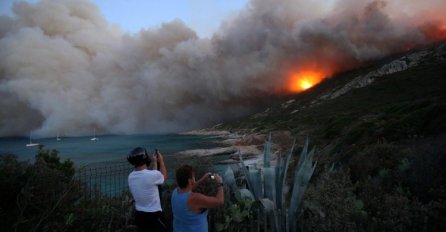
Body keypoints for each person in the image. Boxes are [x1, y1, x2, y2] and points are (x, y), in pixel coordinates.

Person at [171, 165, 225, 232]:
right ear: (190, 180)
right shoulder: (194, 198)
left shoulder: (176, 192)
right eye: (193, 176)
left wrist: (203, 179)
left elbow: (189, 188)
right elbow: (220, 201)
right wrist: (220, 183)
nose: (194, 177)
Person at [127, 147, 167, 232]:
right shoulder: (151, 176)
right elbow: (163, 177)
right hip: (154, 217)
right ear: (145, 159)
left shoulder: (131, 177)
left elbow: (153, 175)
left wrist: (155, 162)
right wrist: (161, 161)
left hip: (139, 216)